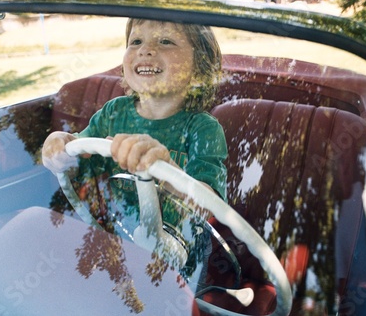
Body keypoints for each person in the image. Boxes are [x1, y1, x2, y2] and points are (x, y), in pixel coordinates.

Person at [42, 18, 227, 281]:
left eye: (165, 41)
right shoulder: (113, 113)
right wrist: (59, 146)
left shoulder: (203, 129)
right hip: (115, 238)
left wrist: (165, 170)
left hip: (179, 257)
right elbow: (77, 157)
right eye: (136, 41)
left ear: (199, 68)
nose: (145, 50)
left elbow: (210, 207)